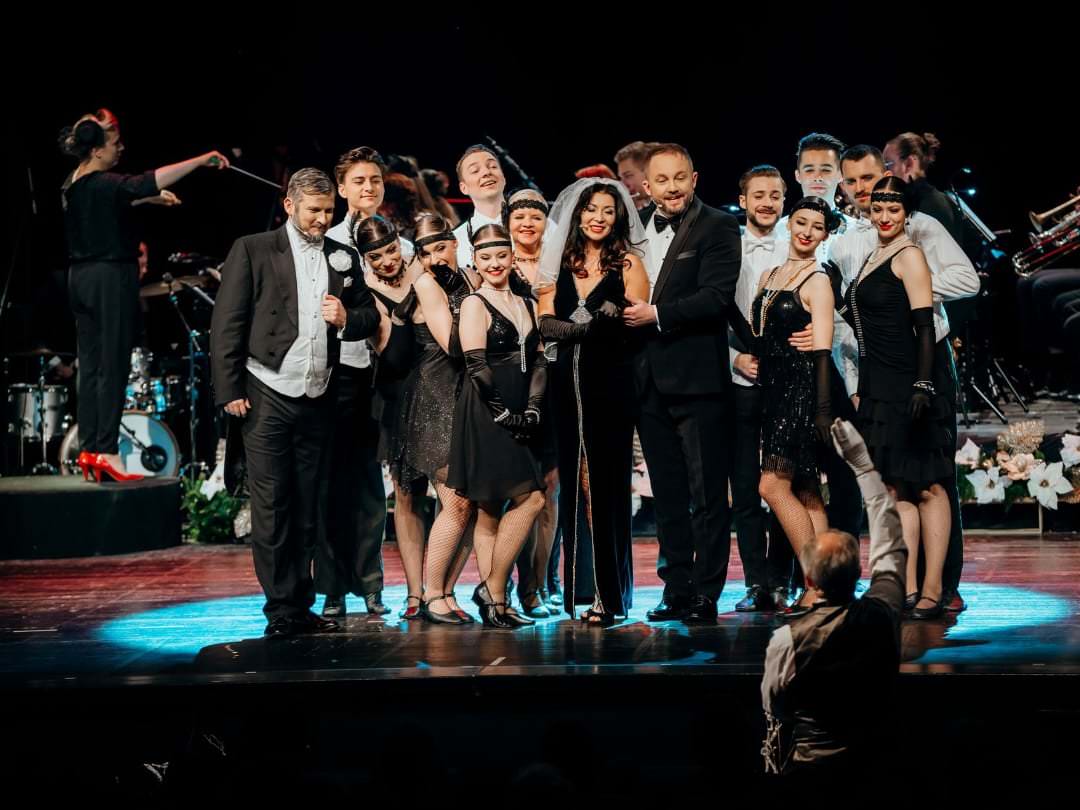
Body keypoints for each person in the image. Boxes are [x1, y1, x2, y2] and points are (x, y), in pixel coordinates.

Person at [210, 168, 380, 638]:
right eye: (313, 210)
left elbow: (369, 316)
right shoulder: (254, 249)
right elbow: (227, 323)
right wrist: (230, 389)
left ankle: (301, 605)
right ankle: (281, 607)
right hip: (266, 391)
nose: (322, 219)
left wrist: (347, 317)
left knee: (309, 505)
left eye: (328, 211)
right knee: (273, 504)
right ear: (289, 205)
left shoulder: (342, 255)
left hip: (318, 395)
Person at [59, 108, 228, 481]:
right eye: (114, 143)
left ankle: (90, 449)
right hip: (110, 277)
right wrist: (201, 160)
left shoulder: (73, 183)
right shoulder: (106, 182)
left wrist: (149, 200)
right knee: (114, 365)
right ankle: (107, 451)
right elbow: (147, 181)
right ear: (97, 150)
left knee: (91, 366)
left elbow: (115, 201)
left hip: (80, 278)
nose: (120, 148)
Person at [625, 143, 741, 624]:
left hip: (698, 380)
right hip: (646, 381)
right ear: (646, 186)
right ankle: (675, 588)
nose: (671, 188)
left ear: (694, 179)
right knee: (667, 495)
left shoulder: (718, 225)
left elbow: (716, 297)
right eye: (662, 180)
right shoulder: (632, 230)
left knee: (707, 494)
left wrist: (657, 314)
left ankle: (706, 593)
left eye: (679, 178)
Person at [761, 419, 906, 782]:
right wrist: (863, 467)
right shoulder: (884, 611)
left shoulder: (788, 640)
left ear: (809, 580)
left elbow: (775, 705)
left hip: (811, 773)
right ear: (859, 573)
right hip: (877, 768)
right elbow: (890, 542)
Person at [536, 178, 650, 626]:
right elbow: (544, 321)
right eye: (591, 209)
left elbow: (636, 321)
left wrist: (609, 323)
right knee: (576, 487)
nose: (598, 217)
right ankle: (581, 591)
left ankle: (610, 595)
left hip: (611, 386)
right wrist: (580, 329)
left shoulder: (628, 263)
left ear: (618, 217)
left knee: (605, 488)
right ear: (578, 214)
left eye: (607, 210)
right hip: (566, 388)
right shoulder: (562, 262)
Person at [841, 176, 953, 620]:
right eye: (878, 209)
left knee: (928, 484)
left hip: (909, 382)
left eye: (893, 209)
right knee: (894, 486)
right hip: (879, 386)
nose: (884, 217)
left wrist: (923, 385)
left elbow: (925, 327)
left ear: (906, 213)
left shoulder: (910, 255)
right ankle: (905, 587)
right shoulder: (874, 255)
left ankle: (933, 588)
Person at [446, 223, 548, 628]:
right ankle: (493, 588)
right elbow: (476, 365)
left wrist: (534, 406)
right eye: (485, 257)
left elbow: (538, 358)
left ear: (512, 256)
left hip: (522, 402)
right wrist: (503, 413)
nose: (494, 263)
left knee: (491, 510)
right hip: (488, 409)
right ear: (475, 260)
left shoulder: (526, 302)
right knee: (532, 498)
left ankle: (497, 603)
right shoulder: (474, 302)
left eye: (501, 255)